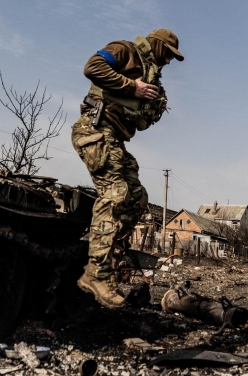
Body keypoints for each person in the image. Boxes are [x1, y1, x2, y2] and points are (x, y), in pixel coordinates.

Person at [72, 29, 184, 308]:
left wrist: (150, 104)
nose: (169, 61)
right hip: (94, 130)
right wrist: (133, 87)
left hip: (114, 139)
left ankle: (107, 271)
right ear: (157, 45)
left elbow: (140, 119)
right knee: (116, 193)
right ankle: (95, 273)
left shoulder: (151, 74)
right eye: (168, 54)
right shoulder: (125, 50)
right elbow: (92, 67)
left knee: (136, 199)